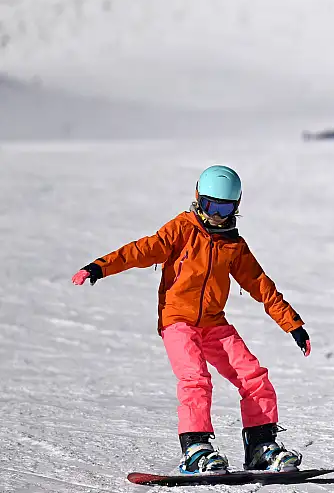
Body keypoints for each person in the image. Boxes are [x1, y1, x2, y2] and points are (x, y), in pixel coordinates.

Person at [72, 165, 312, 473]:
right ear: (199, 199)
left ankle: (261, 446)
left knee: (253, 376)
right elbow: (140, 251)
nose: (216, 215)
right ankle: (196, 448)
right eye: (211, 205)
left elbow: (261, 285)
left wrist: (292, 324)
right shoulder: (181, 229)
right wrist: (99, 267)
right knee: (195, 379)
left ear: (236, 207)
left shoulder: (233, 245)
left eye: (224, 208)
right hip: (177, 322)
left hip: (214, 323)